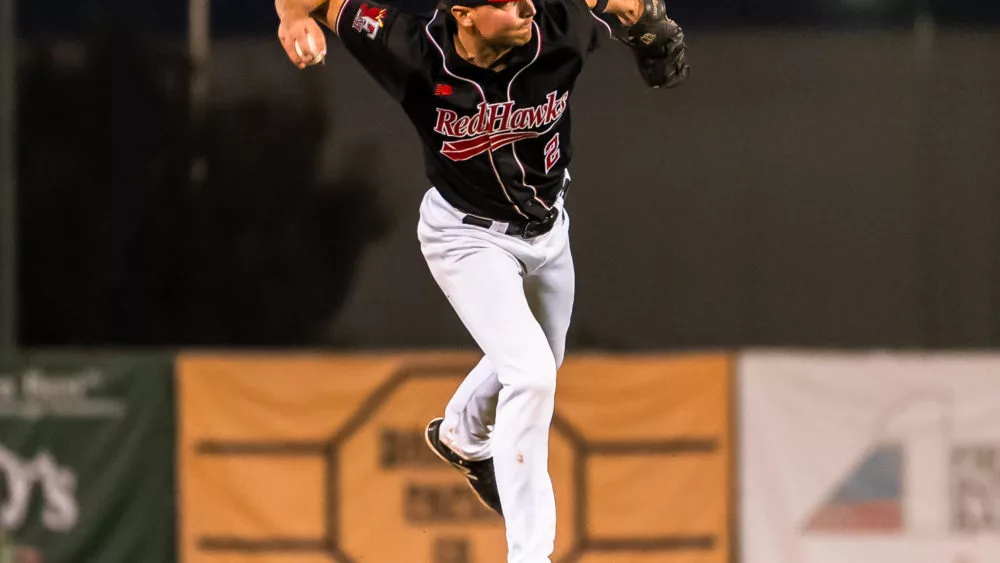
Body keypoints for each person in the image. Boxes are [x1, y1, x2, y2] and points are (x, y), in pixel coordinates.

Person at [274, 0, 688, 560]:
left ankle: (463, 436)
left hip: (548, 232)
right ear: (464, 14)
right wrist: (290, 19)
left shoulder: (558, 20)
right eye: (505, 2)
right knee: (533, 374)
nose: (524, 8)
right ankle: (530, 553)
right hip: (465, 238)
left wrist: (645, 25)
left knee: (543, 360)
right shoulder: (408, 46)